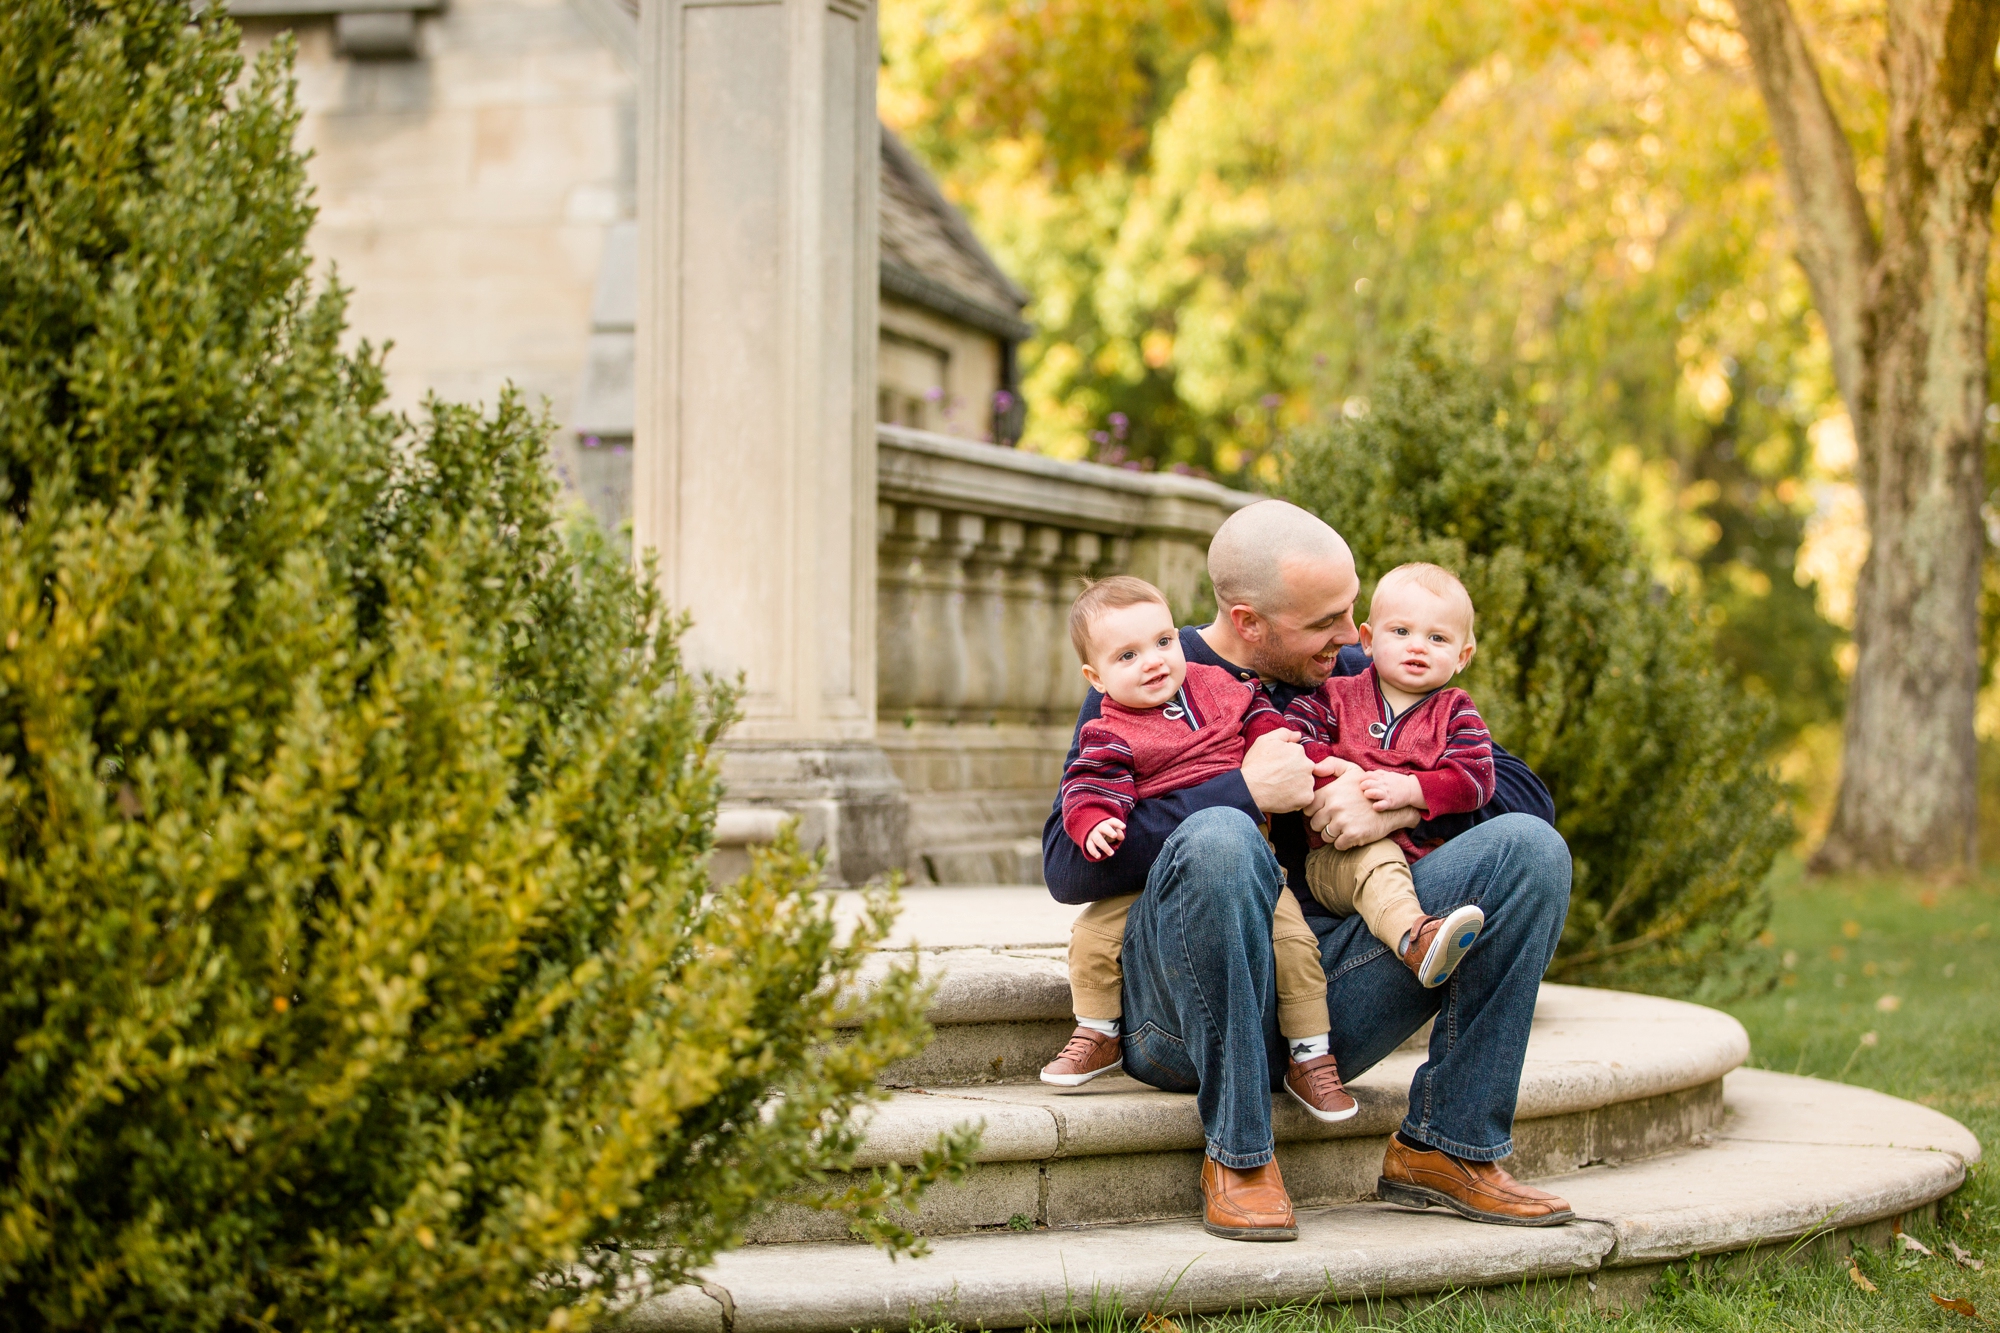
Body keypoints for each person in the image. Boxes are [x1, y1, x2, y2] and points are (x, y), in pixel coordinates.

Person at [1041, 499, 1576, 1243]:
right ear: (1248, 620)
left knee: (1531, 850)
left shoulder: (1356, 669)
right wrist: (1242, 792)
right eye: (1326, 621)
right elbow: (1067, 863)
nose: (1350, 634)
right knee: (1225, 835)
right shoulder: (1152, 671)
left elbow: (1521, 792)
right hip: (1180, 1019)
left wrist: (1401, 803)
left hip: (1323, 1009)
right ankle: (1238, 1156)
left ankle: (1446, 1149)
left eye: (1352, 610)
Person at [1039, 576, 1357, 1127]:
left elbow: (1262, 720)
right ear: (1097, 677)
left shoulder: (1222, 685)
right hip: (1157, 877)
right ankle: (1098, 1029)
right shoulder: (1108, 725)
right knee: (1092, 936)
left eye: (1165, 643)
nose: (1157, 661)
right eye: (1130, 655)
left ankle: (1311, 1054)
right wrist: (1095, 822)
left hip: (1253, 867)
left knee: (1293, 943)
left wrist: (1315, 756)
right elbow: (1087, 792)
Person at [1286, 562, 1498, 990]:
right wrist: (1338, 779)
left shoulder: (1455, 712)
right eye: (1400, 632)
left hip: (1423, 862)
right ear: (1366, 640)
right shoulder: (1335, 696)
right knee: (1376, 860)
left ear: (1462, 657)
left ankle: (1442, 945)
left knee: (1509, 868)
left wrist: (1413, 791)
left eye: (1437, 638)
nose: (1417, 647)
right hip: (1338, 858)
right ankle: (1415, 941)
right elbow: (1295, 737)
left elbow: (1477, 779)